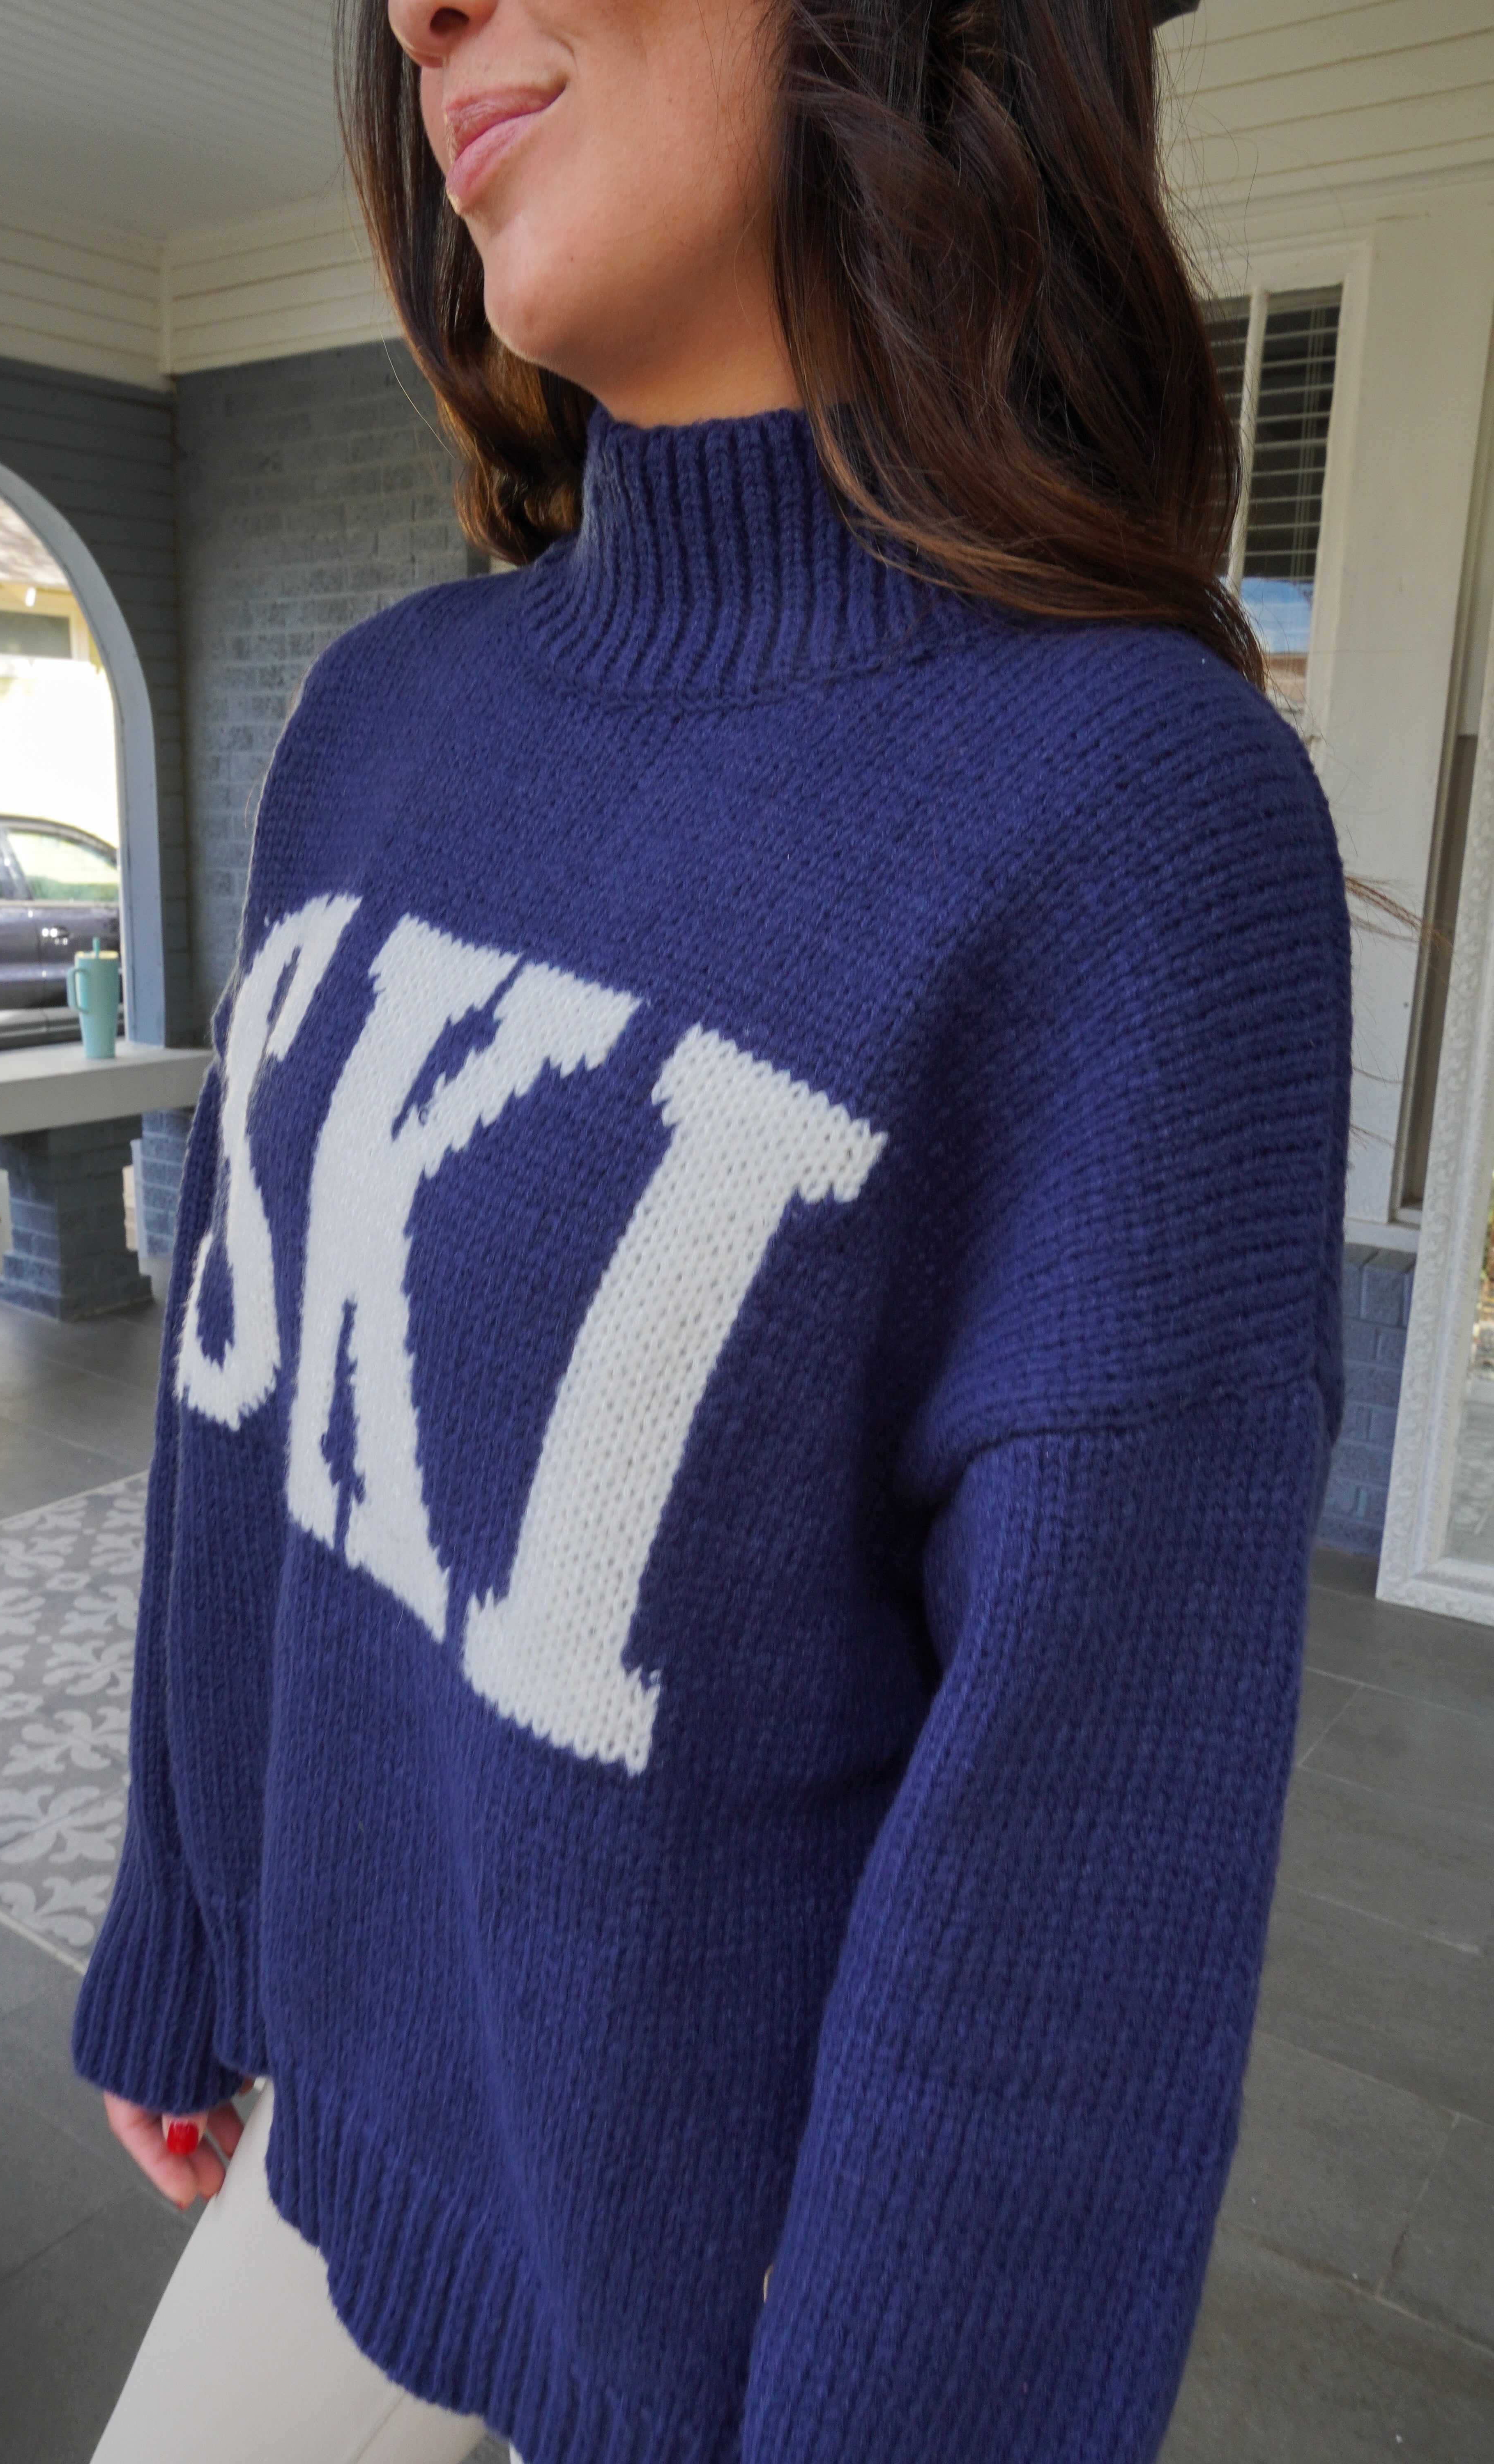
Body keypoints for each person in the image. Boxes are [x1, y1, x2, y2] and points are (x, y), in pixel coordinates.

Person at [77, 0, 1351, 2457]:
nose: (421, 12)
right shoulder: (377, 718)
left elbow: (1068, 1910)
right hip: (324, 2154)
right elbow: (243, 1432)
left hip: (733, 2337)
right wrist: (181, 1932)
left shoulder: (1128, 825)